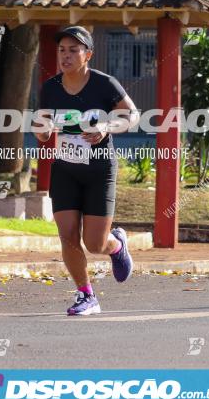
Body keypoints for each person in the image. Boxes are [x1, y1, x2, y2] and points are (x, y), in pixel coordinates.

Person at [32, 26, 140, 316]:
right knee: (67, 236)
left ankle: (116, 245)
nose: (65, 56)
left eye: (73, 50)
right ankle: (86, 295)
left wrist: (106, 126)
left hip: (99, 170)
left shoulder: (104, 84)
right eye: (61, 50)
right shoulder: (51, 88)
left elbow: (132, 115)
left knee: (94, 244)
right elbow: (41, 130)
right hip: (66, 170)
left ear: (87, 55)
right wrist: (42, 131)